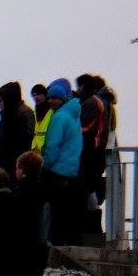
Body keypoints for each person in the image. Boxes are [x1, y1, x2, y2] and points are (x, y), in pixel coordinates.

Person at [41, 79, 82, 245]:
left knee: (56, 213)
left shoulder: (59, 117)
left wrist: (45, 164)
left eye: (54, 98)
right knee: (68, 214)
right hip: (72, 170)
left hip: (57, 170)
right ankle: (69, 244)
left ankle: (55, 245)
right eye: (49, 98)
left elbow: (53, 146)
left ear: (62, 98)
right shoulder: (74, 116)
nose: (51, 101)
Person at [76, 74, 107, 234]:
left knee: (86, 189)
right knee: (88, 190)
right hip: (93, 152)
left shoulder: (91, 103)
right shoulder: (96, 101)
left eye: (79, 86)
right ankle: (92, 226)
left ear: (83, 86)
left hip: (89, 152)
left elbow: (85, 128)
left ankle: (92, 227)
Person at [0, 81, 35, 178]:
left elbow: (23, 142)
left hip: (13, 169)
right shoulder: (7, 115)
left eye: (0, 101)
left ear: (9, 99)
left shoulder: (23, 113)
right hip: (6, 168)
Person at [30, 84, 52, 151]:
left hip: (48, 149)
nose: (36, 97)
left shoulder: (52, 111)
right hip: (35, 148)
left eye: (38, 94)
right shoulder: (34, 113)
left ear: (45, 95)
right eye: (33, 95)